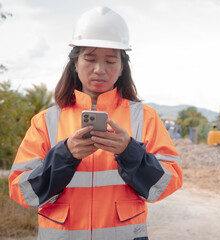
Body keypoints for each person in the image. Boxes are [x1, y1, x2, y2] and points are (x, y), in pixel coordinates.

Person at [8, 6, 183, 240]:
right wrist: (65, 155)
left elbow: (167, 184)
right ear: (75, 63)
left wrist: (129, 152)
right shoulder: (46, 121)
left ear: (122, 67)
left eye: (110, 61)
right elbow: (22, 191)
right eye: (90, 59)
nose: (100, 70)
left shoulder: (145, 117)